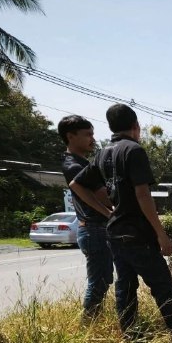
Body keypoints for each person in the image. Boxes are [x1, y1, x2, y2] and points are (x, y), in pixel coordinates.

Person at [70, 103, 172, 343]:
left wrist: (107, 212)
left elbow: (76, 184)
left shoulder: (102, 153)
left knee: (125, 288)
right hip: (138, 233)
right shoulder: (134, 151)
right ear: (136, 126)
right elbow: (143, 195)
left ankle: (130, 338)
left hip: (115, 232)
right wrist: (161, 234)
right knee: (162, 287)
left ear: (111, 126)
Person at [58, 115, 114, 321]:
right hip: (93, 229)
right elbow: (104, 197)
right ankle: (88, 323)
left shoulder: (81, 162)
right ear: (70, 136)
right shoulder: (74, 165)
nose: (92, 139)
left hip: (96, 228)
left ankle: (93, 319)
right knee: (98, 281)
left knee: (104, 278)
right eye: (87, 134)